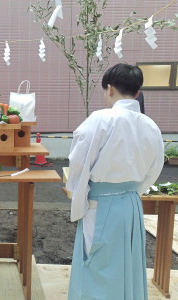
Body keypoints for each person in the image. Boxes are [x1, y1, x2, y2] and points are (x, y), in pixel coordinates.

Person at [66, 64, 164, 300]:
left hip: (100, 203)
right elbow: (154, 169)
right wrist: (132, 190)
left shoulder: (100, 119)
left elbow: (78, 162)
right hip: (131, 202)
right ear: (137, 93)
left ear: (109, 89)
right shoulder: (150, 125)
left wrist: (76, 194)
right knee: (126, 265)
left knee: (96, 265)